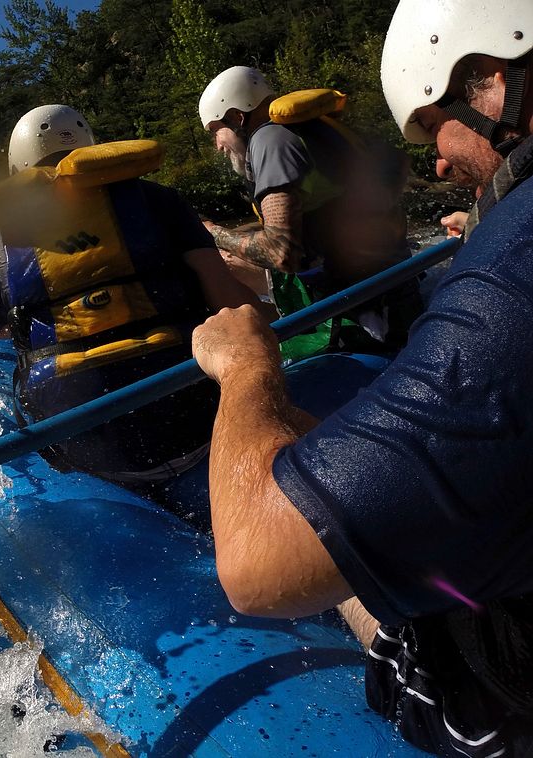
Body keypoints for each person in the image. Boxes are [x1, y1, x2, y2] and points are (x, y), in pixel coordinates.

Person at [190, 1, 533, 754]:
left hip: (346, 331)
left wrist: (243, 363)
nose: (436, 163)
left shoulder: (272, 141)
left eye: (437, 124)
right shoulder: (327, 138)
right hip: (397, 309)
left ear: (495, 84)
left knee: (307, 512)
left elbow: (279, 249)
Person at [0, 104, 260, 515]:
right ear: (92, 148)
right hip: (196, 426)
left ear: (18, 167)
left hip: (89, 451)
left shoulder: (4, 242)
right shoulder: (159, 201)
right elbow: (231, 304)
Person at [197, 66, 420, 360]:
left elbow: (281, 253)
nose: (218, 146)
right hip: (394, 292)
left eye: (216, 132)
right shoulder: (309, 130)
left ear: (238, 117)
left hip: (360, 319)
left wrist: (213, 233)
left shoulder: (269, 141)